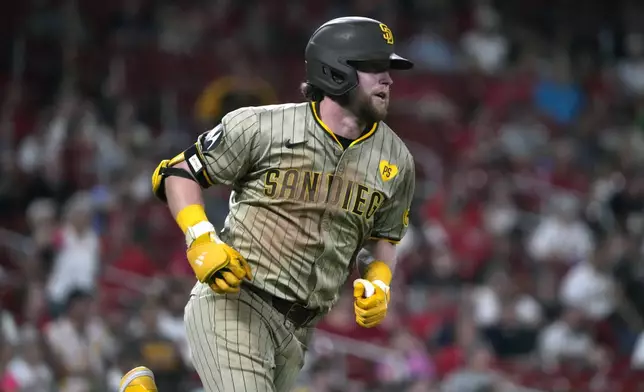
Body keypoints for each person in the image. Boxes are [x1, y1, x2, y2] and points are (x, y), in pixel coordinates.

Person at [119, 16, 416, 392]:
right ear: (336, 69)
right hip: (236, 302)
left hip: (300, 330)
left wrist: (380, 282)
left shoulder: (397, 160)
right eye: (375, 67)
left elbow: (384, 237)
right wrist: (202, 239)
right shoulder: (263, 127)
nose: (388, 79)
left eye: (388, 68)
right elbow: (179, 173)